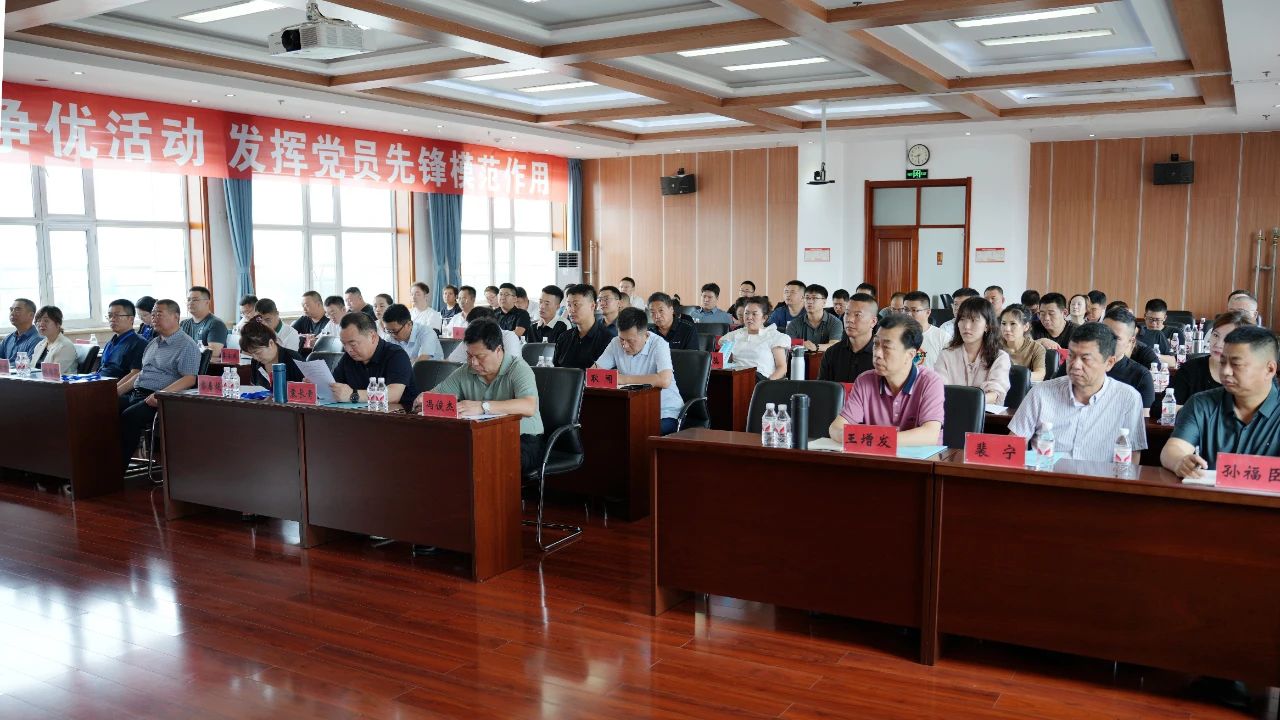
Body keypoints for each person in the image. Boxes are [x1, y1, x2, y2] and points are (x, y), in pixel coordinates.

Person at [1010, 321, 1148, 463]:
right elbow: (1012, 446)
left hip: (1099, 476)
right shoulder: (1041, 393)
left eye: (1085, 359)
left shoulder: (1128, 398)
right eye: (1071, 356)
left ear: (1109, 363)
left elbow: (1132, 457)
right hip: (1045, 473)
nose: (1075, 365)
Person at [418, 319, 543, 473]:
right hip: (482, 436)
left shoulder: (518, 369)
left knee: (485, 460)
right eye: (469, 355)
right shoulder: (466, 371)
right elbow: (436, 394)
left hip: (523, 439)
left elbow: (528, 406)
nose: (474, 363)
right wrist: (424, 400)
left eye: (480, 356)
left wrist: (483, 407)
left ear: (498, 350)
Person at [1163, 325, 1280, 477]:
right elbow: (1173, 449)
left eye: (1236, 364)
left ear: (1270, 369)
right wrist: (1180, 461)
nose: (1225, 371)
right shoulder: (1201, 403)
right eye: (1223, 362)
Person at [828, 315, 945, 446]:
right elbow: (836, 428)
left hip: (918, 458)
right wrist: (868, 439)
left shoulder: (929, 382)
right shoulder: (865, 381)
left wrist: (873, 439)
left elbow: (929, 435)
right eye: (876, 344)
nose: (877, 353)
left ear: (910, 355)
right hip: (876, 456)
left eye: (887, 347)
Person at [118, 299, 201, 469]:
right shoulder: (153, 343)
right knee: (101, 408)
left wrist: (160, 395)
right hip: (137, 393)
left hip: (160, 399)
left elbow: (189, 379)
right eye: (153, 314)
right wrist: (117, 391)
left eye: (159, 314)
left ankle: (115, 470)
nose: (154, 318)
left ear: (175, 317)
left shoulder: (187, 345)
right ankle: (98, 465)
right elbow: (142, 373)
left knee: (128, 417)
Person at [594, 308, 683, 434]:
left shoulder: (659, 344)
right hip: (632, 409)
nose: (624, 345)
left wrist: (624, 379)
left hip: (664, 412)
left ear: (645, 335)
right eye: (622, 339)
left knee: (638, 434)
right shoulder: (615, 343)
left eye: (630, 341)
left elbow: (664, 380)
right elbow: (594, 373)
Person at [1154, 310, 1252, 412]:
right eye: (1216, 335)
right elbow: (1161, 406)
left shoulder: (1251, 376)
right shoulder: (1191, 369)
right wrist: (1200, 413)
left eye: (1227, 338)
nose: (1218, 344)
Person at [329, 312, 419, 408]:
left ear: (372, 336)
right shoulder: (348, 357)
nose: (348, 349)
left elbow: (393, 396)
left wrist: (353, 395)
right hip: (360, 413)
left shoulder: (396, 355)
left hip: (396, 414)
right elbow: (334, 387)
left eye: (353, 344)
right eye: (344, 344)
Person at [936, 296, 1011, 405]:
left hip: (985, 413)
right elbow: (939, 390)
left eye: (974, 320)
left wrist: (969, 402)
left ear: (987, 326)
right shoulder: (946, 355)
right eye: (962, 319)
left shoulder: (999, 357)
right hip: (951, 411)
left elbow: (995, 393)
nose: (966, 326)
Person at [721, 296, 789, 381]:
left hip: (761, 380)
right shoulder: (734, 335)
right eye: (746, 313)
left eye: (754, 314)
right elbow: (724, 362)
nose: (749, 317)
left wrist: (766, 384)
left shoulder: (774, 336)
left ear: (764, 318)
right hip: (737, 378)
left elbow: (782, 368)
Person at [818, 292, 876, 382]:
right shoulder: (832, 353)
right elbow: (822, 387)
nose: (849, 319)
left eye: (857, 315)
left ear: (873, 322)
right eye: (847, 313)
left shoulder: (881, 355)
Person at [1102, 307, 1155, 407]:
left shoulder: (1141, 375)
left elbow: (1144, 415)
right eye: (1104, 334)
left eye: (1116, 338)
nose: (1106, 341)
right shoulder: (1081, 365)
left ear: (1131, 341)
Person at [554, 284, 613, 370]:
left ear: (592, 306)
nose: (571, 310)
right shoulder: (564, 337)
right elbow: (555, 371)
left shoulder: (607, 340)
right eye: (569, 305)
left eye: (576, 304)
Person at [239, 320, 306, 388]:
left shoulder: (294, 360)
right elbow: (255, 388)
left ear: (270, 343)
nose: (255, 357)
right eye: (251, 354)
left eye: (257, 353)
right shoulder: (255, 362)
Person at [100, 299, 148, 393]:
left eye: (117, 316)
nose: (112, 319)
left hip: (118, 391)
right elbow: (103, 369)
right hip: (99, 385)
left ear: (131, 319)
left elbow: (136, 373)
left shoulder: (139, 343)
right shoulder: (110, 342)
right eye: (110, 316)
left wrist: (111, 391)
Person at [447, 307, 523, 362]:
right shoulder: (472, 338)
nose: (471, 331)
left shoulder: (509, 337)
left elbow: (512, 366)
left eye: (474, 328)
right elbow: (450, 363)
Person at [787, 284, 843, 351]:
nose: (809, 302)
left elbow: (834, 345)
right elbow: (788, 343)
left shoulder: (835, 322)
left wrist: (816, 347)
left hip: (826, 357)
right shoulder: (794, 324)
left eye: (814, 298)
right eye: (807, 298)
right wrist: (803, 343)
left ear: (824, 302)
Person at [999, 304, 1046, 381]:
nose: (1007, 329)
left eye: (1013, 324)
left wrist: (1017, 376)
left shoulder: (1036, 348)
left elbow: (1040, 374)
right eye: (1003, 323)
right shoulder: (994, 345)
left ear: (1026, 327)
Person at [903, 291, 947, 369]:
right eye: (906, 309)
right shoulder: (897, 334)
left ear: (928, 312)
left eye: (914, 310)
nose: (908, 314)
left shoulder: (942, 337)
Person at [180, 286, 228, 353]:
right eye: (188, 300)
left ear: (207, 302)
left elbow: (214, 352)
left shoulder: (216, 324)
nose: (190, 302)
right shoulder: (183, 324)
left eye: (195, 300)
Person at [30, 306, 78, 373]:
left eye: (46, 321)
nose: (41, 324)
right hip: (37, 378)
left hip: (59, 379)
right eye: (38, 320)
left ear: (58, 324)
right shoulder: (40, 344)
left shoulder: (65, 346)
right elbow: (32, 368)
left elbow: (54, 373)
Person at [1139, 298, 1176, 363]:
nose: (1153, 323)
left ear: (1164, 318)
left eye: (1157, 320)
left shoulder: (1175, 333)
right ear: (1145, 316)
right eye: (1150, 319)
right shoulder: (1139, 333)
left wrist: (1151, 355)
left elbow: (1176, 361)